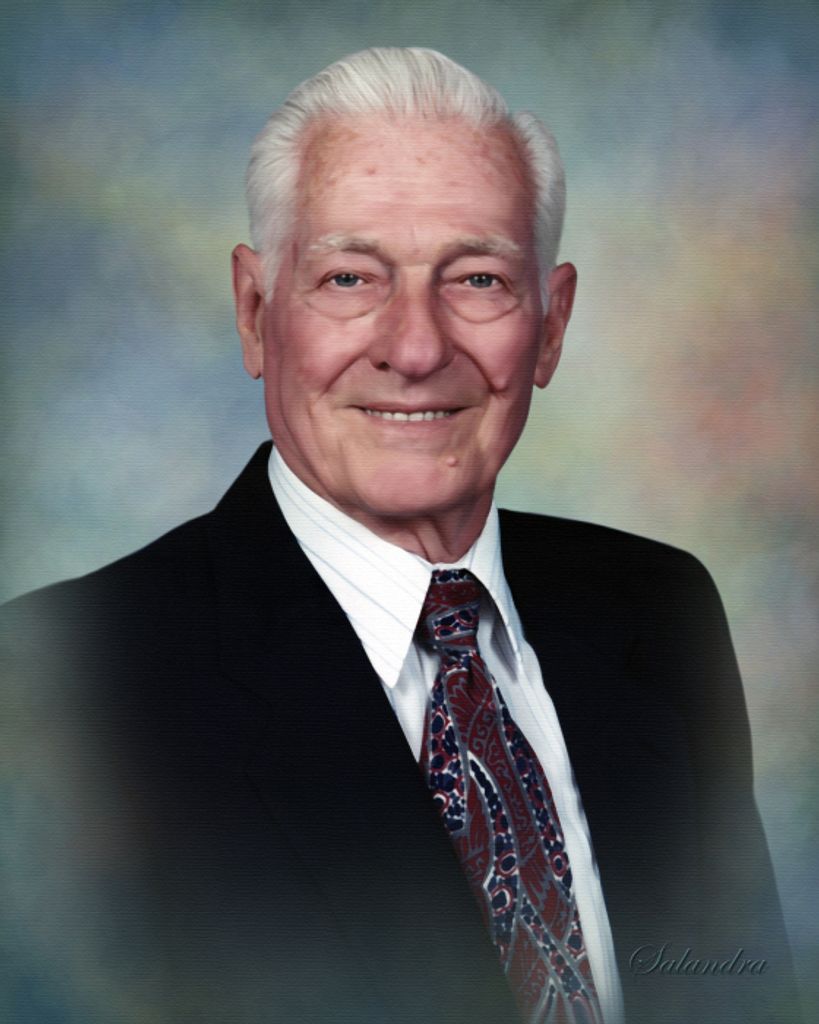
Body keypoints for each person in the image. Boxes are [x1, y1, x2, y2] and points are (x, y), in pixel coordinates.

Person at [1, 47, 801, 1024]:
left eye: (477, 279)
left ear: (550, 325)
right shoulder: (58, 684)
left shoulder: (656, 606)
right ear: (255, 311)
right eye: (348, 278)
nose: (416, 348)